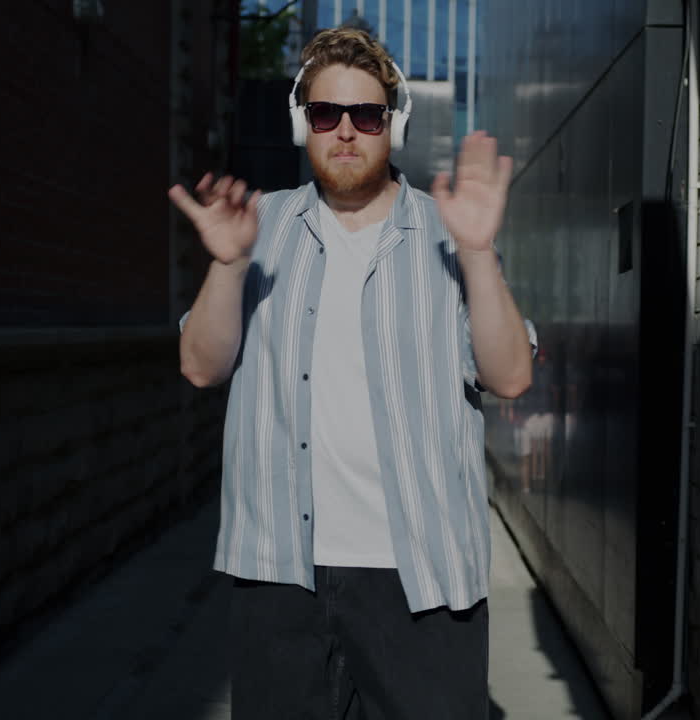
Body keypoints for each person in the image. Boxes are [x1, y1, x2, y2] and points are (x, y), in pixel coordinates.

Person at [168, 26, 536, 720]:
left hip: (421, 580)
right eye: (324, 114)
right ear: (300, 122)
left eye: (365, 115)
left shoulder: (447, 232)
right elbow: (199, 367)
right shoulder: (257, 229)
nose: (345, 131)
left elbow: (512, 376)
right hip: (280, 576)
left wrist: (480, 253)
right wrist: (225, 265)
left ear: (391, 124)